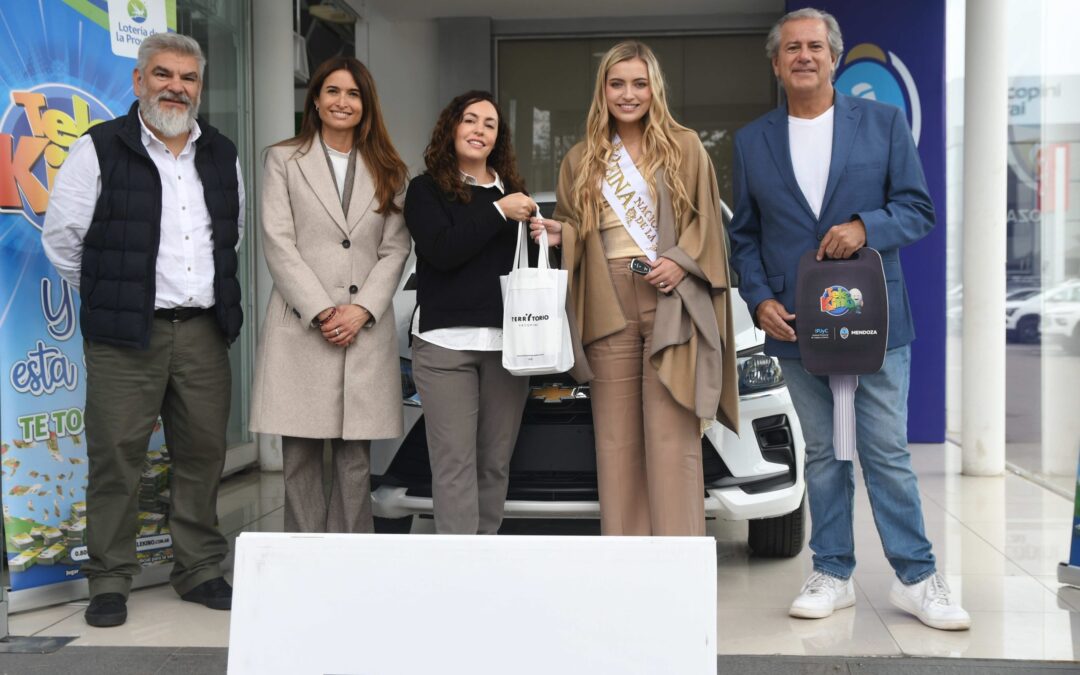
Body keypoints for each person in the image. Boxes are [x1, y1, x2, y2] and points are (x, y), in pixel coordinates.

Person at [727, 8, 971, 630]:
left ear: (834, 58)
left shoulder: (883, 124)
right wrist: (758, 299)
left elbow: (917, 210)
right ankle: (832, 571)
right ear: (776, 63)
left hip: (876, 322)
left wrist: (866, 227)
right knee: (822, 455)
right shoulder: (753, 141)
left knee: (886, 451)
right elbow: (745, 237)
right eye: (791, 48)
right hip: (797, 327)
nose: (803, 56)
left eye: (815, 46)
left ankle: (917, 579)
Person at [42, 33, 243, 627]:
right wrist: (116, 297)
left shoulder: (221, 151)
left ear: (199, 88)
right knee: (116, 459)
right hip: (127, 337)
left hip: (204, 331)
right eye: (163, 74)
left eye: (188, 78)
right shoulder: (99, 148)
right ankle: (108, 580)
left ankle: (200, 569)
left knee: (203, 455)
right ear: (138, 81)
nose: (176, 87)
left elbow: (224, 239)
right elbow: (62, 240)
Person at [530, 41, 738, 537]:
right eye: (617, 83)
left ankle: (675, 567)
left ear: (654, 88)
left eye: (639, 83)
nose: (628, 94)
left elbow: (706, 224)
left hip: (670, 301)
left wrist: (680, 262)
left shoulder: (684, 146)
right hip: (607, 301)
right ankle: (626, 572)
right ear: (603, 89)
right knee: (616, 445)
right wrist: (565, 235)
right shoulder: (580, 158)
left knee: (672, 444)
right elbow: (578, 228)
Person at [249, 58, 410, 534]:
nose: (343, 102)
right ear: (315, 99)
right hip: (303, 325)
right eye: (334, 92)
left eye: (354, 94)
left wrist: (361, 310)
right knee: (299, 456)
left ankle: (351, 561)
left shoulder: (389, 169)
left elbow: (396, 247)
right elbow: (277, 241)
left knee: (355, 458)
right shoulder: (283, 159)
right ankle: (302, 562)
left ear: (366, 105)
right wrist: (322, 311)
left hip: (362, 327)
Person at [403, 91, 535, 535]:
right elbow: (442, 251)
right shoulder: (426, 190)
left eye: (490, 124)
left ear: (498, 138)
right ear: (451, 128)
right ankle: (459, 573)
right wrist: (499, 212)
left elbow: (530, 271)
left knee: (495, 465)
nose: (479, 130)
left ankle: (485, 561)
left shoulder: (513, 194)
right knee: (454, 465)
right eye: (470, 120)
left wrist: (546, 236)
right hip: (444, 346)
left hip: (506, 349)